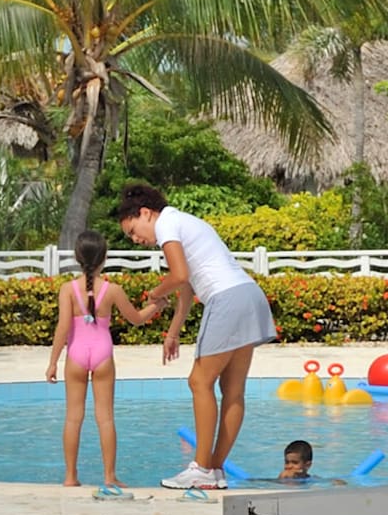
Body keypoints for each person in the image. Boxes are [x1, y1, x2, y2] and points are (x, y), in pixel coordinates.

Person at [115, 181, 278, 490]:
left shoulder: (166, 225)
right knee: (233, 391)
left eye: (133, 231)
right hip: (248, 295)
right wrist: (173, 332)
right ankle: (214, 470)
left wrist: (154, 293)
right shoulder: (182, 222)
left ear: (146, 213)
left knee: (199, 382)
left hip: (227, 299)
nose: (136, 239)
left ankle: (201, 467)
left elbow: (178, 277)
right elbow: (186, 290)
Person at [45, 231, 150, 493]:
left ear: (77, 258)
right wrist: (156, 307)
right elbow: (136, 318)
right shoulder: (112, 290)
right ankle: (110, 476)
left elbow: (62, 328)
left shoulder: (67, 290)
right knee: (105, 419)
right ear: (104, 258)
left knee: (73, 418)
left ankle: (70, 476)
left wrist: (53, 362)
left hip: (76, 354)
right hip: (103, 353)